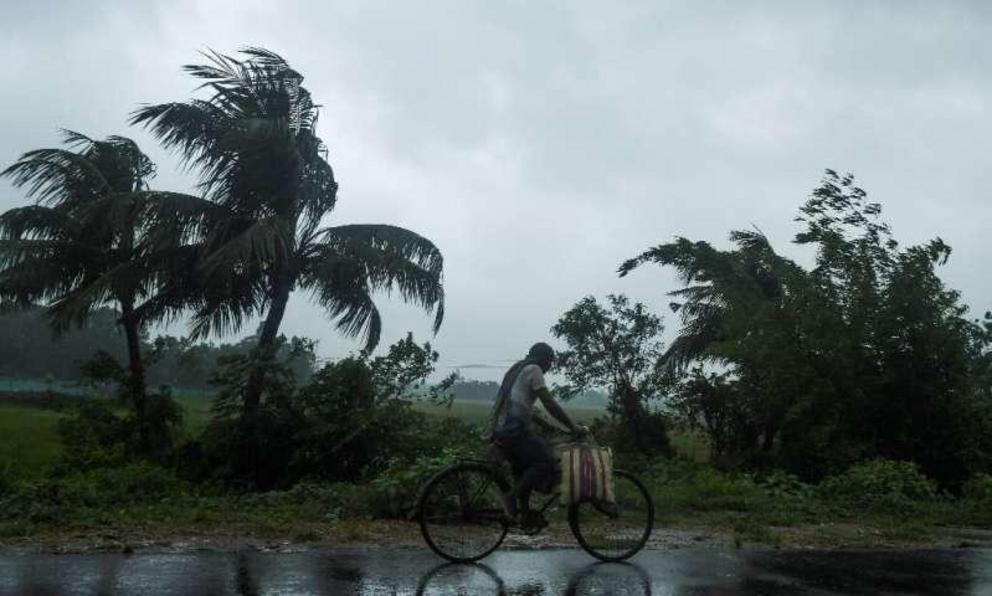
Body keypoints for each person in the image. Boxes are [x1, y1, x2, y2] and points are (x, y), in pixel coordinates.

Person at [489, 342, 586, 522]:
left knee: (523, 469)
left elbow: (521, 405)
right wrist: (573, 427)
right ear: (543, 359)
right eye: (550, 362)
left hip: (501, 429)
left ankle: (524, 515)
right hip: (514, 430)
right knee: (546, 462)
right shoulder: (534, 370)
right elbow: (549, 403)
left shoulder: (516, 370)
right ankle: (509, 498)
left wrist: (547, 425)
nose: (550, 367)